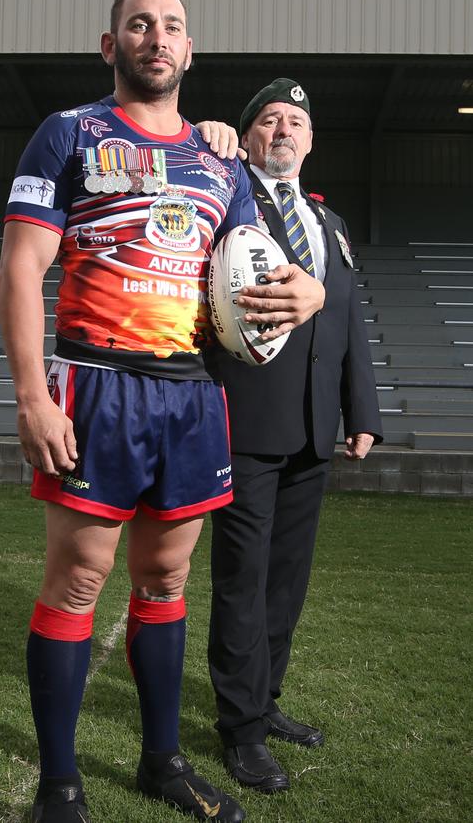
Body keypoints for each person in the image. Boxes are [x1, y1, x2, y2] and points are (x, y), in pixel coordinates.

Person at [0, 0, 325, 823]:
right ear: (113, 46)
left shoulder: (223, 159)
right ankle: (60, 785)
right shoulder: (68, 134)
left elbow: (274, 262)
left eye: (171, 25)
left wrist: (312, 295)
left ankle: (161, 761)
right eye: (138, 24)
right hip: (95, 382)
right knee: (78, 577)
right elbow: (22, 268)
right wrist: (32, 396)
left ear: (188, 50)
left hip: (190, 392)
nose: (156, 37)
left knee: (166, 576)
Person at [204, 78, 383, 793]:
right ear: (248, 136)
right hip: (245, 424)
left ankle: (265, 700)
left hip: (314, 429)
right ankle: (241, 730)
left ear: (310, 141)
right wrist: (207, 134)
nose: (283, 129)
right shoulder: (222, 196)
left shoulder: (328, 222)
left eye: (296, 121)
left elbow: (348, 323)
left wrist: (361, 410)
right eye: (268, 120)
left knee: (287, 582)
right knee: (243, 581)